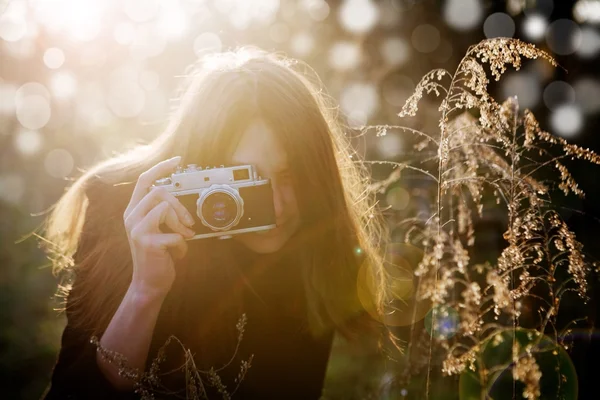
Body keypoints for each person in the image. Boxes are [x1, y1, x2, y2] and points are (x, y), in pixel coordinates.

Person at [40, 47, 395, 399]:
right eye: (248, 179)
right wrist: (145, 291)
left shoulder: (312, 238)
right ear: (199, 170)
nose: (278, 206)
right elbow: (75, 393)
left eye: (291, 175)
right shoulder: (123, 206)